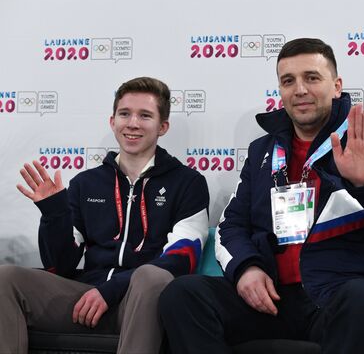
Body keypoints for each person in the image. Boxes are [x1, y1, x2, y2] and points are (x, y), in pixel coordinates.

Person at [159, 38, 364, 353]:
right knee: (182, 295)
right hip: (273, 298)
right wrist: (246, 268)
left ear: (336, 86)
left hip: (340, 295)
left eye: (312, 78)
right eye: (288, 81)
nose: (300, 89)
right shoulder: (263, 149)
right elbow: (230, 225)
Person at [0, 77, 209, 353]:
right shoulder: (86, 183)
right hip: (85, 298)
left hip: (141, 300)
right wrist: (54, 213)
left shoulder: (188, 182)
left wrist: (111, 290)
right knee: (6, 278)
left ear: (162, 126)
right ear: (113, 122)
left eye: (145, 115)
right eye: (125, 114)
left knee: (152, 277)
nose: (132, 123)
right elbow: (59, 265)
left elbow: (183, 257)